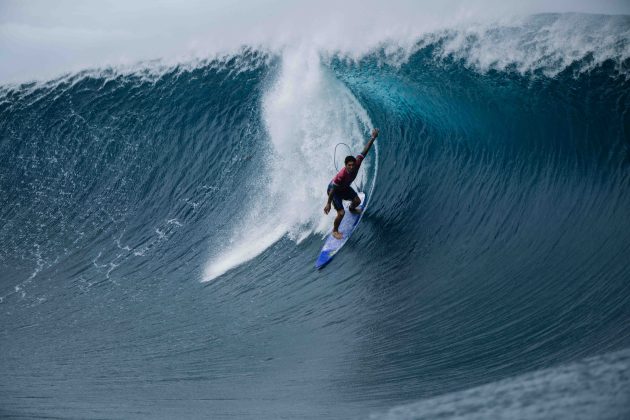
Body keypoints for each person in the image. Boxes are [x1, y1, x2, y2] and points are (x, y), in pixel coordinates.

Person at [324, 128, 379, 239]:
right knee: (341, 213)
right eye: (349, 165)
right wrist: (328, 203)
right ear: (345, 165)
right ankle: (335, 231)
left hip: (344, 188)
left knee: (357, 201)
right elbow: (333, 190)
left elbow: (365, 150)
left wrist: (373, 137)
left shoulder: (357, 163)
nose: (351, 167)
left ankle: (352, 209)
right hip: (333, 191)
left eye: (352, 165)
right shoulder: (341, 175)